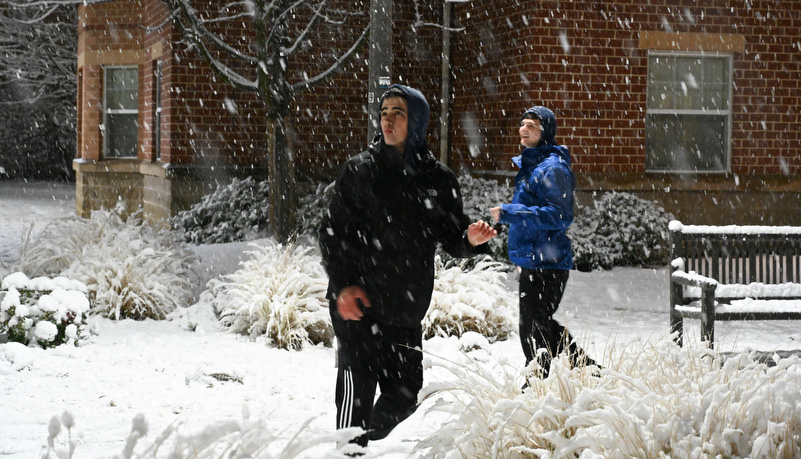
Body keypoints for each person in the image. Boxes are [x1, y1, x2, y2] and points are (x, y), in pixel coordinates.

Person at [319, 84, 497, 448]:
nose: (387, 119)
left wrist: (469, 240)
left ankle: (355, 439)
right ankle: (349, 448)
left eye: (397, 112)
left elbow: (451, 234)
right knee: (357, 387)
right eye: (383, 112)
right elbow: (332, 234)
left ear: (415, 121)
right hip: (359, 301)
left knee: (405, 395)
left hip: (403, 304)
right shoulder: (359, 171)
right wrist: (343, 286)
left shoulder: (438, 179)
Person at [490, 106, 597, 382]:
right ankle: (581, 370)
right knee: (535, 326)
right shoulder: (533, 166)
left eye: (532, 126)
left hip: (548, 263)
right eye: (523, 124)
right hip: (532, 261)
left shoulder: (552, 168)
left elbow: (560, 215)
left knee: (535, 327)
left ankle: (540, 379)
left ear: (545, 133)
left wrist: (511, 213)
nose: (524, 129)